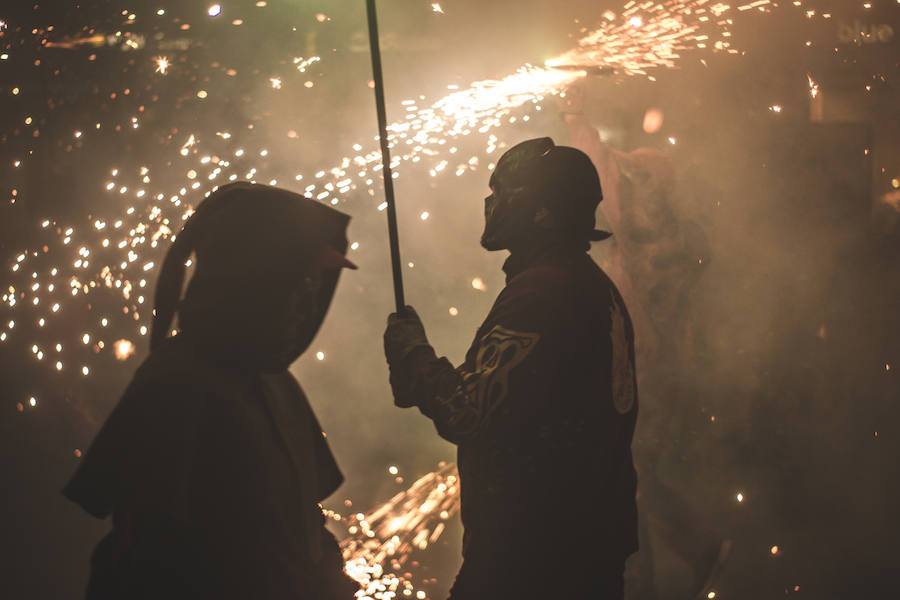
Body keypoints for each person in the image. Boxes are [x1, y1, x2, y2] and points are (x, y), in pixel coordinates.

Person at [63, 182, 360, 600]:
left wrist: (331, 583)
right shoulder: (178, 388)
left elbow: (303, 525)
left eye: (316, 284)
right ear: (254, 280)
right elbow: (151, 558)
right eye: (299, 282)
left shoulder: (274, 383)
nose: (308, 303)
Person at [384, 138, 639, 599]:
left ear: (539, 211)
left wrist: (413, 354)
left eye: (499, 192)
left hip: (533, 559)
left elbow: (466, 412)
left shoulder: (542, 295)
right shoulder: (589, 285)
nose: (490, 204)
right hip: (582, 549)